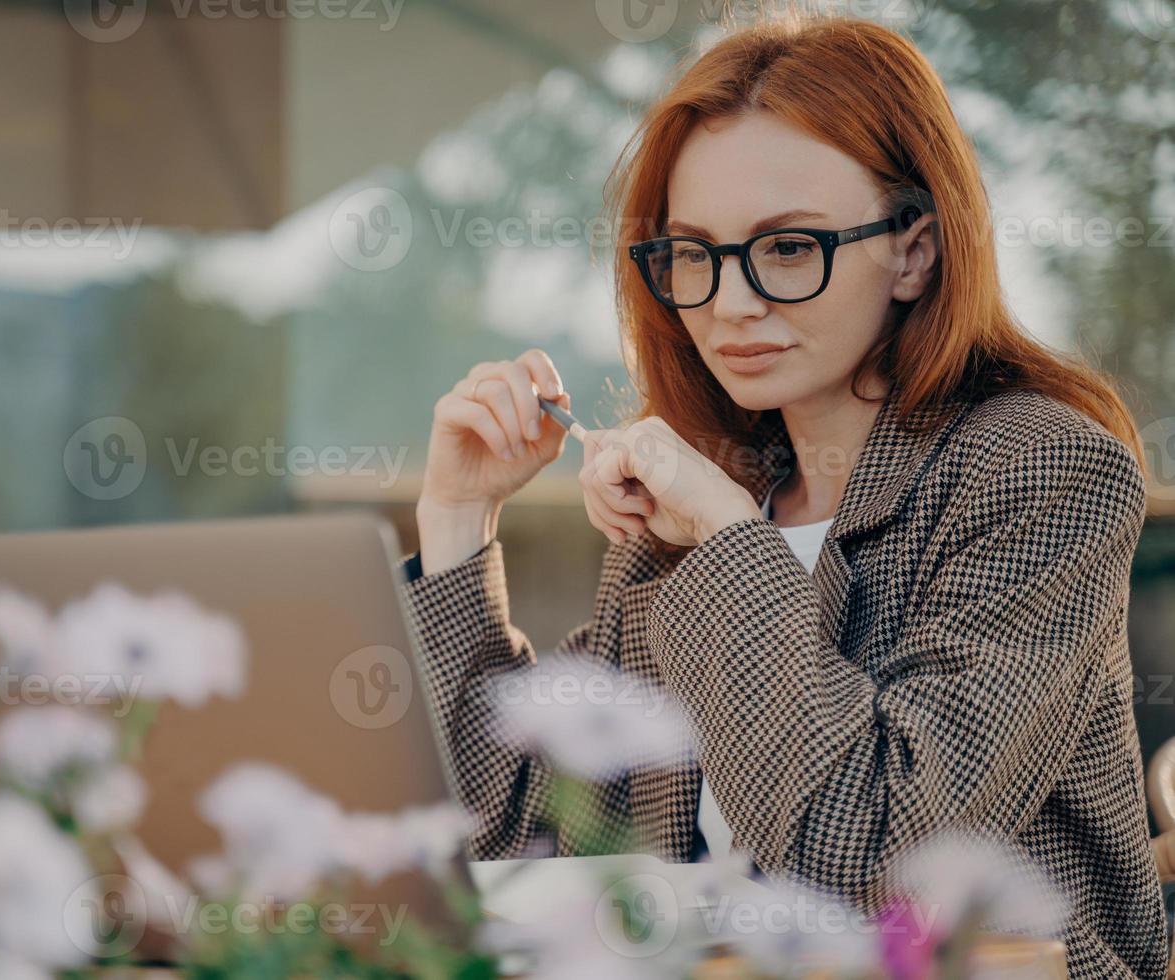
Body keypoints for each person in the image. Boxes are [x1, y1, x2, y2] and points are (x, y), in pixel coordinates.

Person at [396, 16, 1168, 979]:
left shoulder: (1043, 474)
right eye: (692, 254)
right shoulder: (710, 490)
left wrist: (723, 535)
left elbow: (874, 866)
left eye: (789, 248)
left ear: (914, 252)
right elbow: (522, 835)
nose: (729, 304)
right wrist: (459, 522)